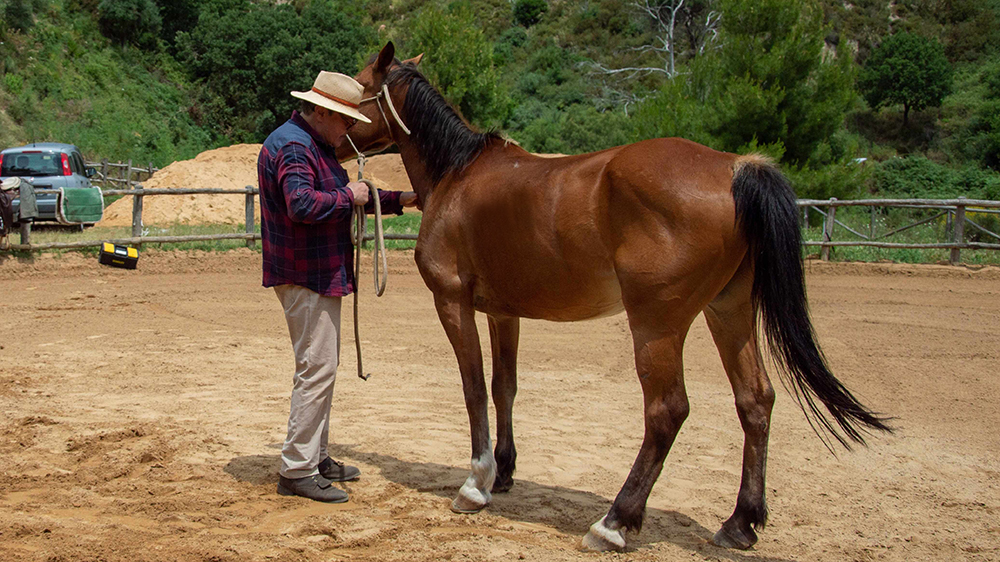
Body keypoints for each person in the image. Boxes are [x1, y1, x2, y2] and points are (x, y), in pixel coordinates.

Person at [257, 70, 418, 503]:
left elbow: (347, 192)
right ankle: (297, 469)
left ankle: (315, 456)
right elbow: (303, 204)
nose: (350, 128)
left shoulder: (311, 144)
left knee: (320, 367)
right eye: (347, 119)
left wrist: (397, 200)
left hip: (314, 271)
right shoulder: (294, 146)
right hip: (306, 273)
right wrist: (354, 199)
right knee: (317, 369)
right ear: (325, 112)